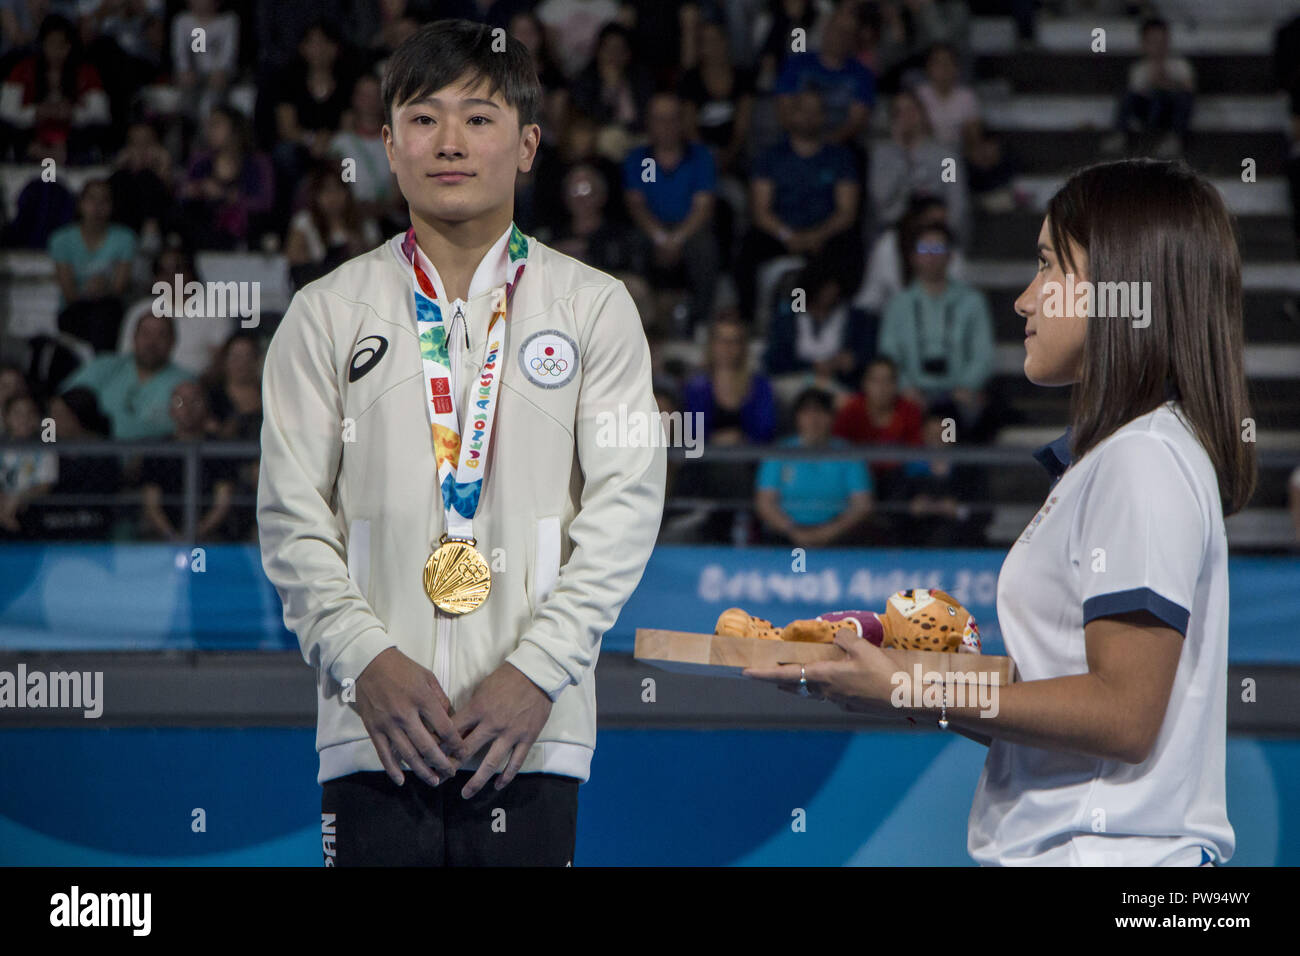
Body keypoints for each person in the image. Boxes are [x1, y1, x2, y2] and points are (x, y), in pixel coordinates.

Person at [747, 159, 1256, 867]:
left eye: (1049, 266)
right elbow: (1062, 709)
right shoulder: (1123, 455)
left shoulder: (1144, 458)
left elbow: (1124, 714)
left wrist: (910, 682)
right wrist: (899, 682)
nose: (1024, 299)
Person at [256, 19, 665, 867]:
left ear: (527, 145)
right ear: (388, 144)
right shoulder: (326, 313)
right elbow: (291, 518)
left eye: (479, 119)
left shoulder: (594, 308)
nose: (450, 143)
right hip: (374, 727)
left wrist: (539, 672)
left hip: (529, 728)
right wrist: (362, 659)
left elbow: (626, 509)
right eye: (423, 118)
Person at [876, 219, 994, 433]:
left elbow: (983, 355)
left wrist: (966, 386)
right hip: (910, 394)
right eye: (924, 248)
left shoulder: (972, 301)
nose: (931, 255)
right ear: (913, 256)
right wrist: (905, 388)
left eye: (938, 248)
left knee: (972, 416)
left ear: (950, 256)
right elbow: (889, 354)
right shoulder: (897, 304)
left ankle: (955, 465)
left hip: (958, 394)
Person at [622, 90, 720, 336]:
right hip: (652, 230)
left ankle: (700, 322)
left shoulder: (700, 156)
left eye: (672, 118)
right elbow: (637, 205)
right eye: (659, 119)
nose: (666, 126)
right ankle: (641, 324)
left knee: (705, 247)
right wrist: (660, 237)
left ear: (682, 122)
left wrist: (676, 239)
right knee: (632, 245)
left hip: (689, 230)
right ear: (649, 123)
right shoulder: (641, 159)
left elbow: (703, 206)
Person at [754, 386, 873, 547]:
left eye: (820, 412)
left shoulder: (848, 453)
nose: (813, 419)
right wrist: (792, 530)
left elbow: (862, 504)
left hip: (838, 534)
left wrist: (829, 531)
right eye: (806, 413)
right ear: (797, 418)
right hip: (787, 534)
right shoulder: (780, 452)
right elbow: (765, 502)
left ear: (832, 417)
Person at [59, 312, 194, 439]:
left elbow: (185, 427)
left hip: (155, 457)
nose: (151, 343)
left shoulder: (185, 381)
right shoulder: (104, 366)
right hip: (94, 453)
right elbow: (62, 403)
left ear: (173, 341)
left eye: (161, 335)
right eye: (146, 334)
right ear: (134, 338)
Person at [138, 379, 238, 542]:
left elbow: (223, 502)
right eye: (179, 402)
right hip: (164, 537)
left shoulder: (221, 449)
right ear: (170, 409)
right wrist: (171, 535)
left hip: (210, 537)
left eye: (195, 401)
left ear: (207, 408)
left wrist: (196, 534)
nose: (187, 408)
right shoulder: (157, 451)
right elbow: (151, 504)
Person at [48, 178, 137, 352]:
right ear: (81, 204)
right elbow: (69, 293)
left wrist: (104, 289)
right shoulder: (61, 239)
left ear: (112, 206)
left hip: (109, 309)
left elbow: (119, 288)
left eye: (104, 201)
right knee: (98, 321)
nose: (97, 206)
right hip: (74, 310)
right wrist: (89, 292)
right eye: (91, 199)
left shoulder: (125, 238)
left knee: (106, 315)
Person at [832, 355, 924, 499]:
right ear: (865, 384)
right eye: (875, 381)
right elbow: (838, 448)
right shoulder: (851, 411)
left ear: (896, 385)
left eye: (888, 381)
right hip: (858, 481)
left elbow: (916, 452)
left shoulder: (909, 410)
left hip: (899, 482)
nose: (882, 388)